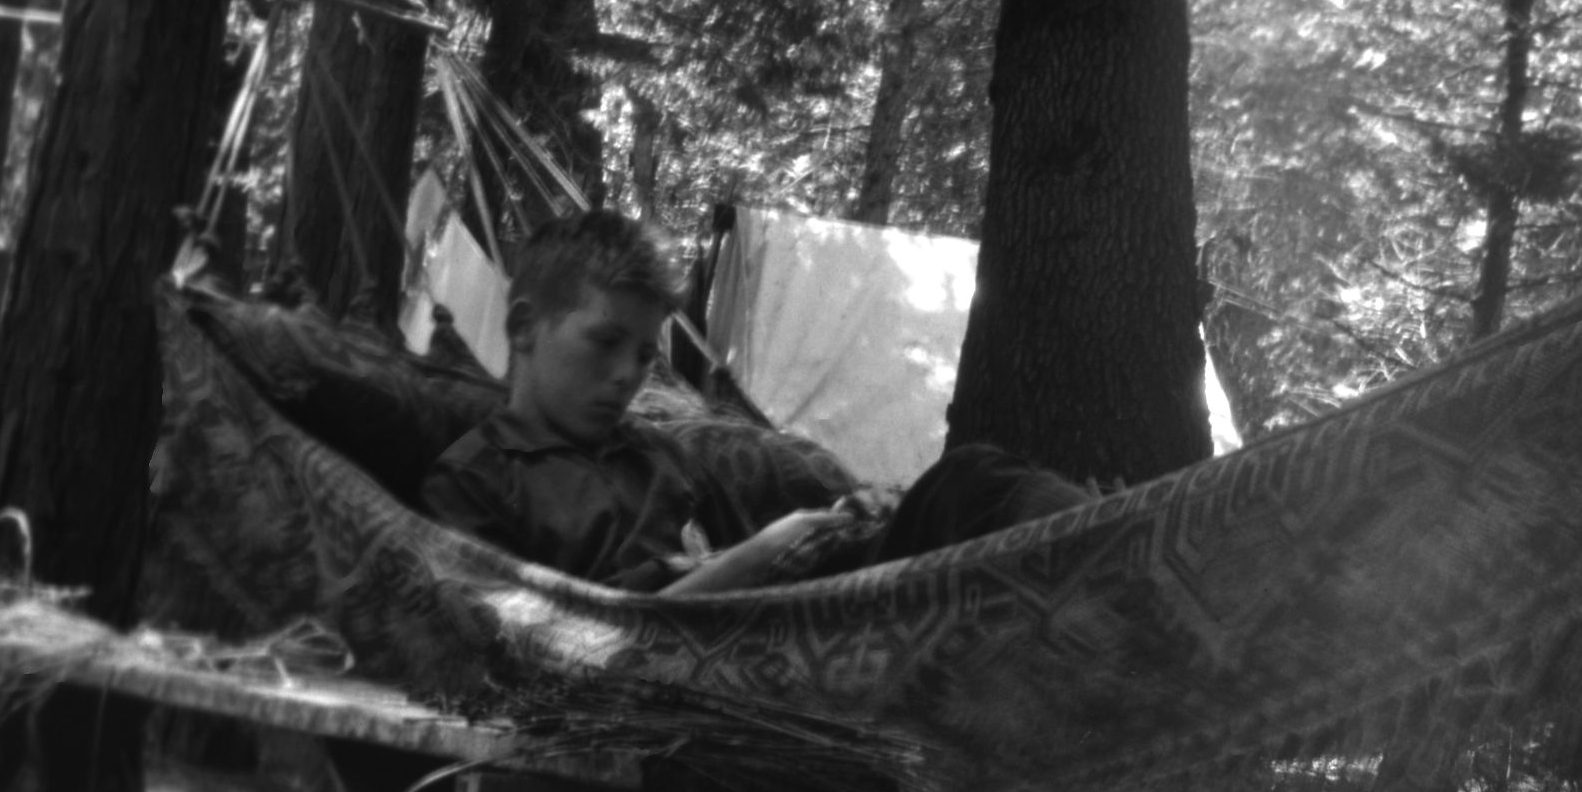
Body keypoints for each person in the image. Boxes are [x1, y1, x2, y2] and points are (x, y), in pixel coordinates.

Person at [422, 209, 1092, 593]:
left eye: (645, 354)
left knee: (969, 485)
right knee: (970, 490)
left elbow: (734, 546)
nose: (628, 375)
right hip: (689, 652)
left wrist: (844, 517)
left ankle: (1115, 549)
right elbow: (558, 644)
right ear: (521, 327)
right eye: (605, 342)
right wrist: (756, 558)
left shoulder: (652, 454)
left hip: (782, 619)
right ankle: (1111, 567)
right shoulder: (478, 481)